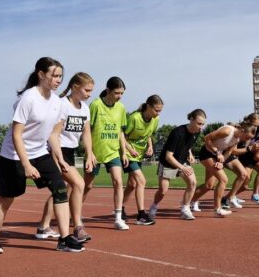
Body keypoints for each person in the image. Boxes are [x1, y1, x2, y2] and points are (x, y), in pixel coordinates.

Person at [0, 57, 84, 255]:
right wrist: (26, 164)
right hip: (14, 155)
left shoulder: (56, 102)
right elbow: (16, 134)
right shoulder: (28, 98)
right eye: (54, 75)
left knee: (61, 190)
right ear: (41, 74)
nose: (58, 80)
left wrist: (60, 158)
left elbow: (52, 135)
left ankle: (64, 239)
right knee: (7, 198)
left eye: (61, 76)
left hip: (40, 152)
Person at [35, 72, 96, 243]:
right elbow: (53, 133)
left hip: (70, 151)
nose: (89, 94)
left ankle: (43, 226)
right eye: (87, 90)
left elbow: (86, 133)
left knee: (62, 189)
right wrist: (58, 157)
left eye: (91, 91)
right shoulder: (62, 105)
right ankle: (78, 227)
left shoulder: (84, 108)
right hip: (56, 150)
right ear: (75, 87)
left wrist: (90, 153)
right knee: (79, 184)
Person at [83, 76, 130, 230]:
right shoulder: (95, 105)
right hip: (95, 152)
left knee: (118, 182)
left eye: (122, 93)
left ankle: (117, 217)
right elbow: (87, 130)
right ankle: (74, 211)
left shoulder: (121, 108)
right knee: (87, 186)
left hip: (113, 152)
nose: (120, 96)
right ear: (108, 90)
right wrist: (90, 153)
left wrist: (123, 152)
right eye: (117, 93)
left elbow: (121, 132)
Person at [149, 109, 206, 221]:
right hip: (168, 163)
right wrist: (182, 168)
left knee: (192, 182)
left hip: (182, 161)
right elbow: (168, 156)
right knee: (163, 191)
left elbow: (188, 145)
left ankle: (185, 209)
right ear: (191, 119)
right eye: (199, 123)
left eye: (203, 124)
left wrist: (190, 153)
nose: (201, 127)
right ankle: (154, 206)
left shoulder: (197, 132)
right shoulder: (177, 133)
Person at [190, 121, 257, 217]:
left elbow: (229, 151)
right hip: (206, 154)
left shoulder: (237, 139)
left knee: (209, 185)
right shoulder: (227, 131)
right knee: (223, 179)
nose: (247, 140)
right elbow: (207, 138)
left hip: (217, 156)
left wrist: (221, 162)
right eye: (247, 137)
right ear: (242, 130)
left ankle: (190, 201)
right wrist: (217, 152)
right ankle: (217, 209)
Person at [122, 95, 164, 226]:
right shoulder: (134, 118)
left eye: (160, 111)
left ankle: (119, 208)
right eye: (156, 110)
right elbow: (122, 136)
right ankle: (141, 215)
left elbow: (149, 134)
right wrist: (129, 149)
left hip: (139, 155)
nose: (158, 113)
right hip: (128, 154)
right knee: (141, 181)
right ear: (148, 106)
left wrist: (150, 146)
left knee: (132, 185)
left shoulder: (155, 120)